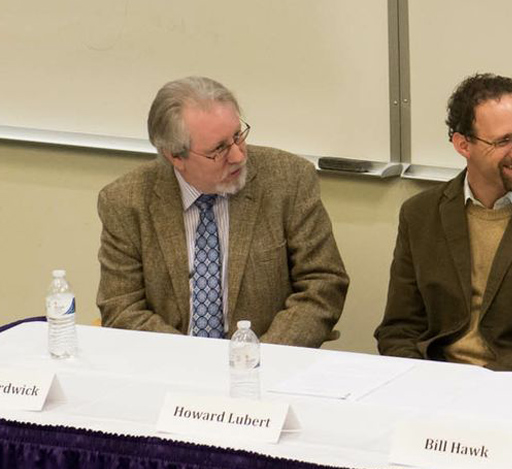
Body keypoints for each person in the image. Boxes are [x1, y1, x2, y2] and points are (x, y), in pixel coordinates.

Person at [375, 73, 512, 374]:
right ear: (462, 145)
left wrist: (483, 385)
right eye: (503, 141)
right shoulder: (420, 215)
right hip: (434, 381)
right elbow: (398, 329)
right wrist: (423, 381)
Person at [97, 76, 349, 347]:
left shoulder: (289, 179)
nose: (238, 156)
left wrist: (256, 358)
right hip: (173, 367)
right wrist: (192, 361)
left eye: (238, 136)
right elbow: (121, 307)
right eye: (219, 149)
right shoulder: (126, 201)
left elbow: (322, 284)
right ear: (175, 156)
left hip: (268, 364)